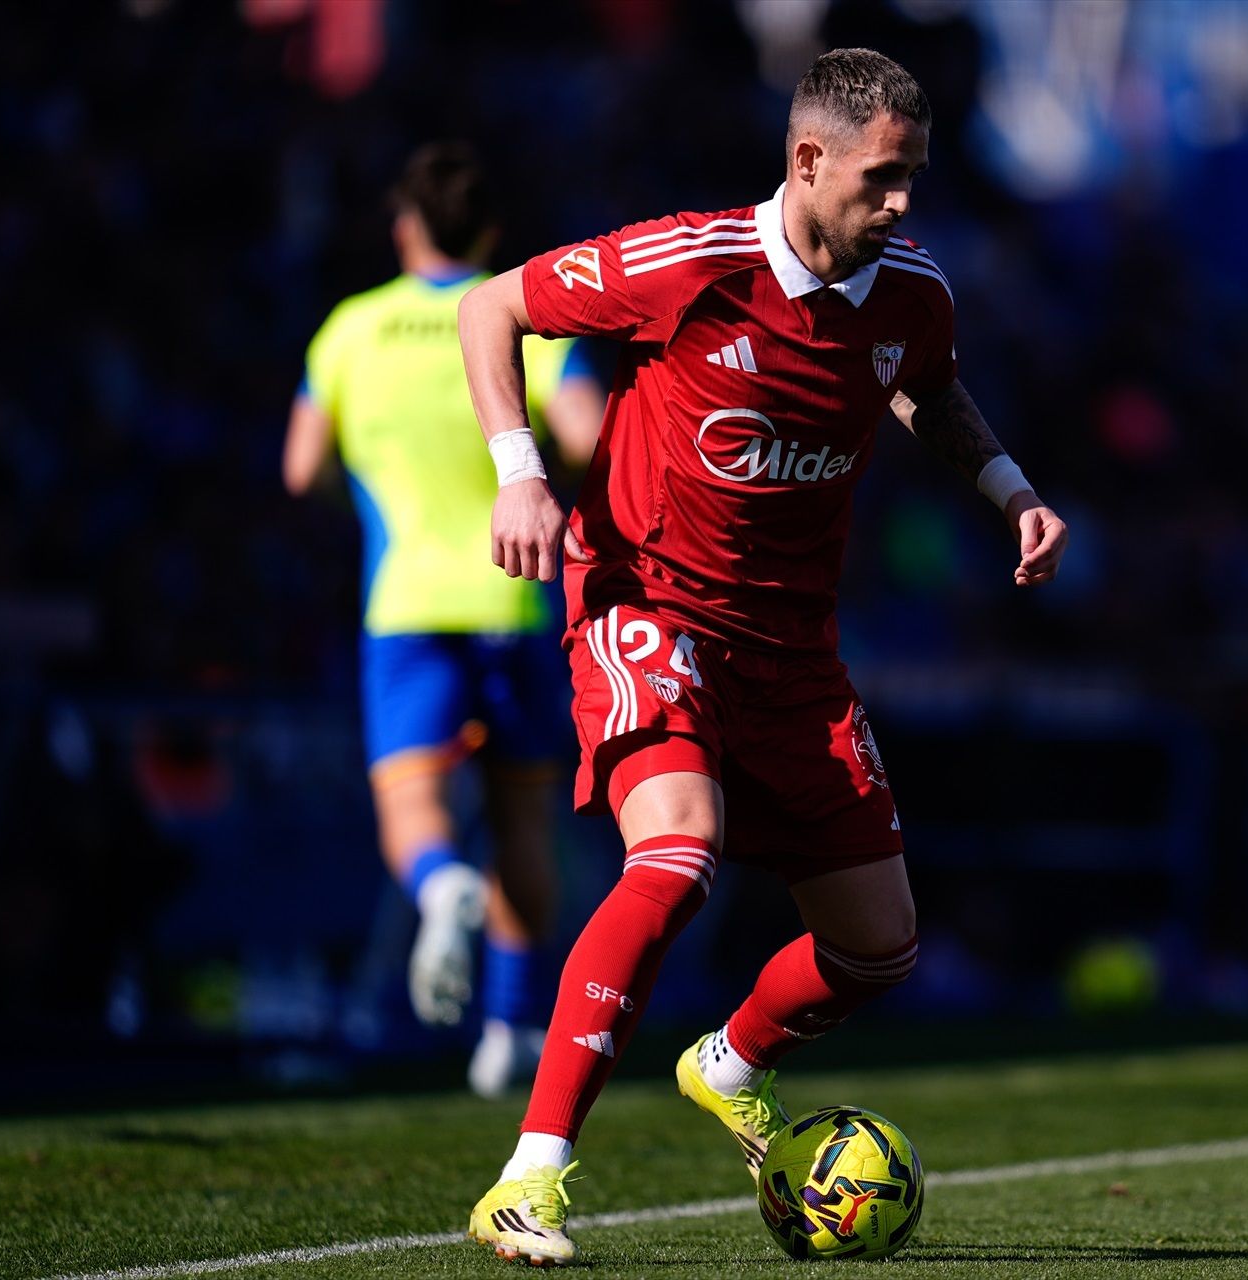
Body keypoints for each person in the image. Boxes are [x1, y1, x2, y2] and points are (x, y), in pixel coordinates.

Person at [454, 49, 1068, 1267]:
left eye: (915, 180)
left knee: (878, 946)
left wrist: (1011, 492)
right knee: (679, 852)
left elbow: (928, 390)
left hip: (791, 644)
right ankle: (528, 1176)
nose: (902, 205)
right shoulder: (689, 263)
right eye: (883, 180)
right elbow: (494, 307)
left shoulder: (911, 290)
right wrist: (522, 474)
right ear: (808, 160)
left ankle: (729, 1061)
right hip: (649, 604)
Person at [283, 142, 602, 1097]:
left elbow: (300, 472)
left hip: (407, 603)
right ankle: (509, 1030)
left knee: (412, 808)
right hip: (513, 591)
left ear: (404, 228)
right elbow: (586, 435)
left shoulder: (350, 331)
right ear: (491, 232)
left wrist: (372, 500)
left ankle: (436, 885)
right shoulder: (528, 323)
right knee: (525, 823)